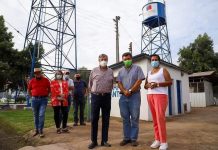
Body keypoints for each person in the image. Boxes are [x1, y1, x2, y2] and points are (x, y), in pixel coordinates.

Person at [144, 54, 172, 150]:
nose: (154, 61)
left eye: (156, 59)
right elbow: (145, 85)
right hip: (150, 95)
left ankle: (164, 142)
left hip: (160, 96)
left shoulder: (163, 70)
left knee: (160, 119)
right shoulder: (149, 72)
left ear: (159, 61)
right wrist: (149, 85)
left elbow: (170, 82)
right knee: (155, 119)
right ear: (150, 61)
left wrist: (158, 84)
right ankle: (157, 139)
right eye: (152, 60)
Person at [116, 52, 145, 147]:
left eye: (128, 58)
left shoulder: (137, 68)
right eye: (125, 59)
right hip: (123, 97)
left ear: (131, 59)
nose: (127, 60)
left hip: (135, 96)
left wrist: (131, 91)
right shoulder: (120, 71)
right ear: (123, 60)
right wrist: (124, 91)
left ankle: (133, 139)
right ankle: (126, 138)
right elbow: (119, 82)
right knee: (125, 118)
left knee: (135, 118)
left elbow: (139, 80)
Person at [88, 54, 114, 149]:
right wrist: (93, 93)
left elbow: (112, 84)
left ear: (107, 60)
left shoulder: (111, 71)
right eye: (102, 59)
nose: (103, 60)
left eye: (105, 59)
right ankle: (93, 141)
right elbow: (90, 83)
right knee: (94, 119)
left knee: (106, 119)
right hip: (96, 97)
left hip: (106, 97)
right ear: (99, 60)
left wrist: (107, 91)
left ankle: (104, 141)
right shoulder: (94, 70)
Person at [28, 68, 50, 137]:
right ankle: (36, 130)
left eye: (39, 73)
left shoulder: (46, 80)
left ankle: (41, 130)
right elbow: (29, 90)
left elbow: (49, 89)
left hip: (43, 100)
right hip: (34, 100)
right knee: (36, 116)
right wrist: (32, 97)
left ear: (41, 73)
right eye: (36, 73)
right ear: (34, 74)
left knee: (41, 115)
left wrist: (47, 95)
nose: (37, 74)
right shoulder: (32, 81)